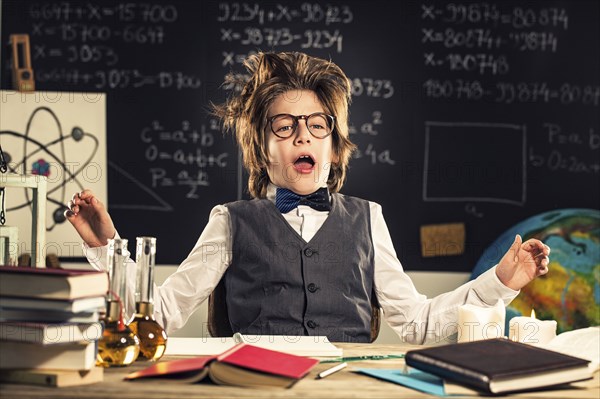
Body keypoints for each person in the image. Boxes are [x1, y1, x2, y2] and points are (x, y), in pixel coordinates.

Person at [66, 52, 550, 344]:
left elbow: (419, 325)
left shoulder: (369, 219)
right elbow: (160, 315)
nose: (303, 136)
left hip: (351, 386)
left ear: (335, 149)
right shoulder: (229, 220)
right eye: (285, 126)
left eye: (318, 125)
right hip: (253, 384)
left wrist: (501, 281)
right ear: (263, 150)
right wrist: (106, 250)